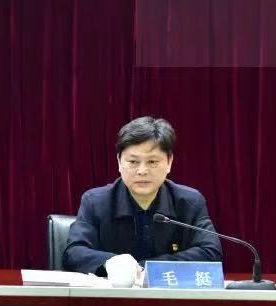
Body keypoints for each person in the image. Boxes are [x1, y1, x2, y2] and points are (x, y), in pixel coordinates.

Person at [63, 116, 222, 278]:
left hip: (168, 291)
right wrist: (110, 262)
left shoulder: (189, 202)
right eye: (133, 162)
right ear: (119, 162)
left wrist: (149, 268)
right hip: (114, 292)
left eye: (152, 162)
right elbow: (74, 252)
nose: (142, 171)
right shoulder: (95, 201)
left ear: (169, 162)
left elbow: (211, 252)